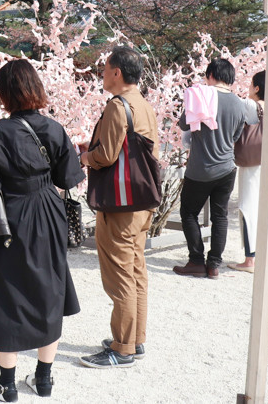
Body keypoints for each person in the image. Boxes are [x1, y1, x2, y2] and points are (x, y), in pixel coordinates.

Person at [0, 59, 85, 402]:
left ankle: (7, 385)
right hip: (49, 212)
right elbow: (69, 179)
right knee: (49, 289)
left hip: (12, 217)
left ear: (5, 94)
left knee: (9, 293)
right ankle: (44, 380)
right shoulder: (53, 128)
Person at [77, 46, 159, 369]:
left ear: (117, 73)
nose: (102, 73)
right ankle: (134, 338)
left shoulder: (117, 106)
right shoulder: (144, 105)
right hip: (141, 202)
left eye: (105, 68)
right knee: (136, 269)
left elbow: (106, 156)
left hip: (120, 206)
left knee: (120, 275)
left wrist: (86, 156)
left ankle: (122, 347)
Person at [173, 59, 248, 279]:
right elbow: (236, 136)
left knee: (188, 212)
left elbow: (183, 124)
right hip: (226, 168)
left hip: (200, 168)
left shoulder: (202, 96)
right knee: (220, 216)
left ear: (212, 74)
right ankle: (214, 264)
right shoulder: (239, 103)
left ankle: (196, 260)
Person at [229, 71, 265, 273]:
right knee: (259, 209)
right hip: (265, 163)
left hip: (251, 165)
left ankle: (249, 259)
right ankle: (257, 255)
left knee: (247, 207)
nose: (249, 88)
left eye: (252, 85)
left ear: (258, 88)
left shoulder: (252, 105)